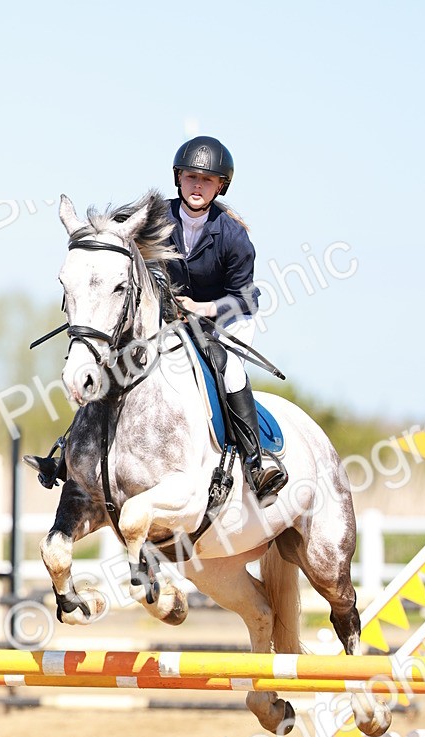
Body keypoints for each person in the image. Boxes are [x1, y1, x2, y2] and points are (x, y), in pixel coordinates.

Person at [166, 136, 287, 502]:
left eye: (206, 179)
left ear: (221, 185)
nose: (197, 185)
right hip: (172, 318)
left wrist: (203, 309)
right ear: (178, 179)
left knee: (230, 370)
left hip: (227, 317)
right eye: (191, 177)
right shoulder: (158, 218)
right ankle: (70, 453)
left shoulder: (233, 235)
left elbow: (246, 298)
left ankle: (256, 461)